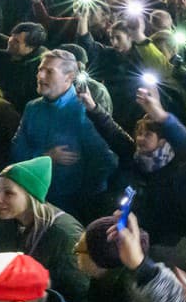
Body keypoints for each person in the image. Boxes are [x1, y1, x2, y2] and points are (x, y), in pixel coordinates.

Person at [9, 48, 116, 221]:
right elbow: (16, 150)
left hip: (70, 207)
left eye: (49, 72)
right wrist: (45, 156)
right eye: (40, 70)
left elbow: (104, 161)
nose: (40, 76)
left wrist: (85, 202)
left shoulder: (84, 112)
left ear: (69, 77)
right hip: (33, 197)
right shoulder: (32, 108)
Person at [0, 156, 88, 302]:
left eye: (8, 193)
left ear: (31, 196)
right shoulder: (12, 222)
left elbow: (79, 296)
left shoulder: (64, 234)